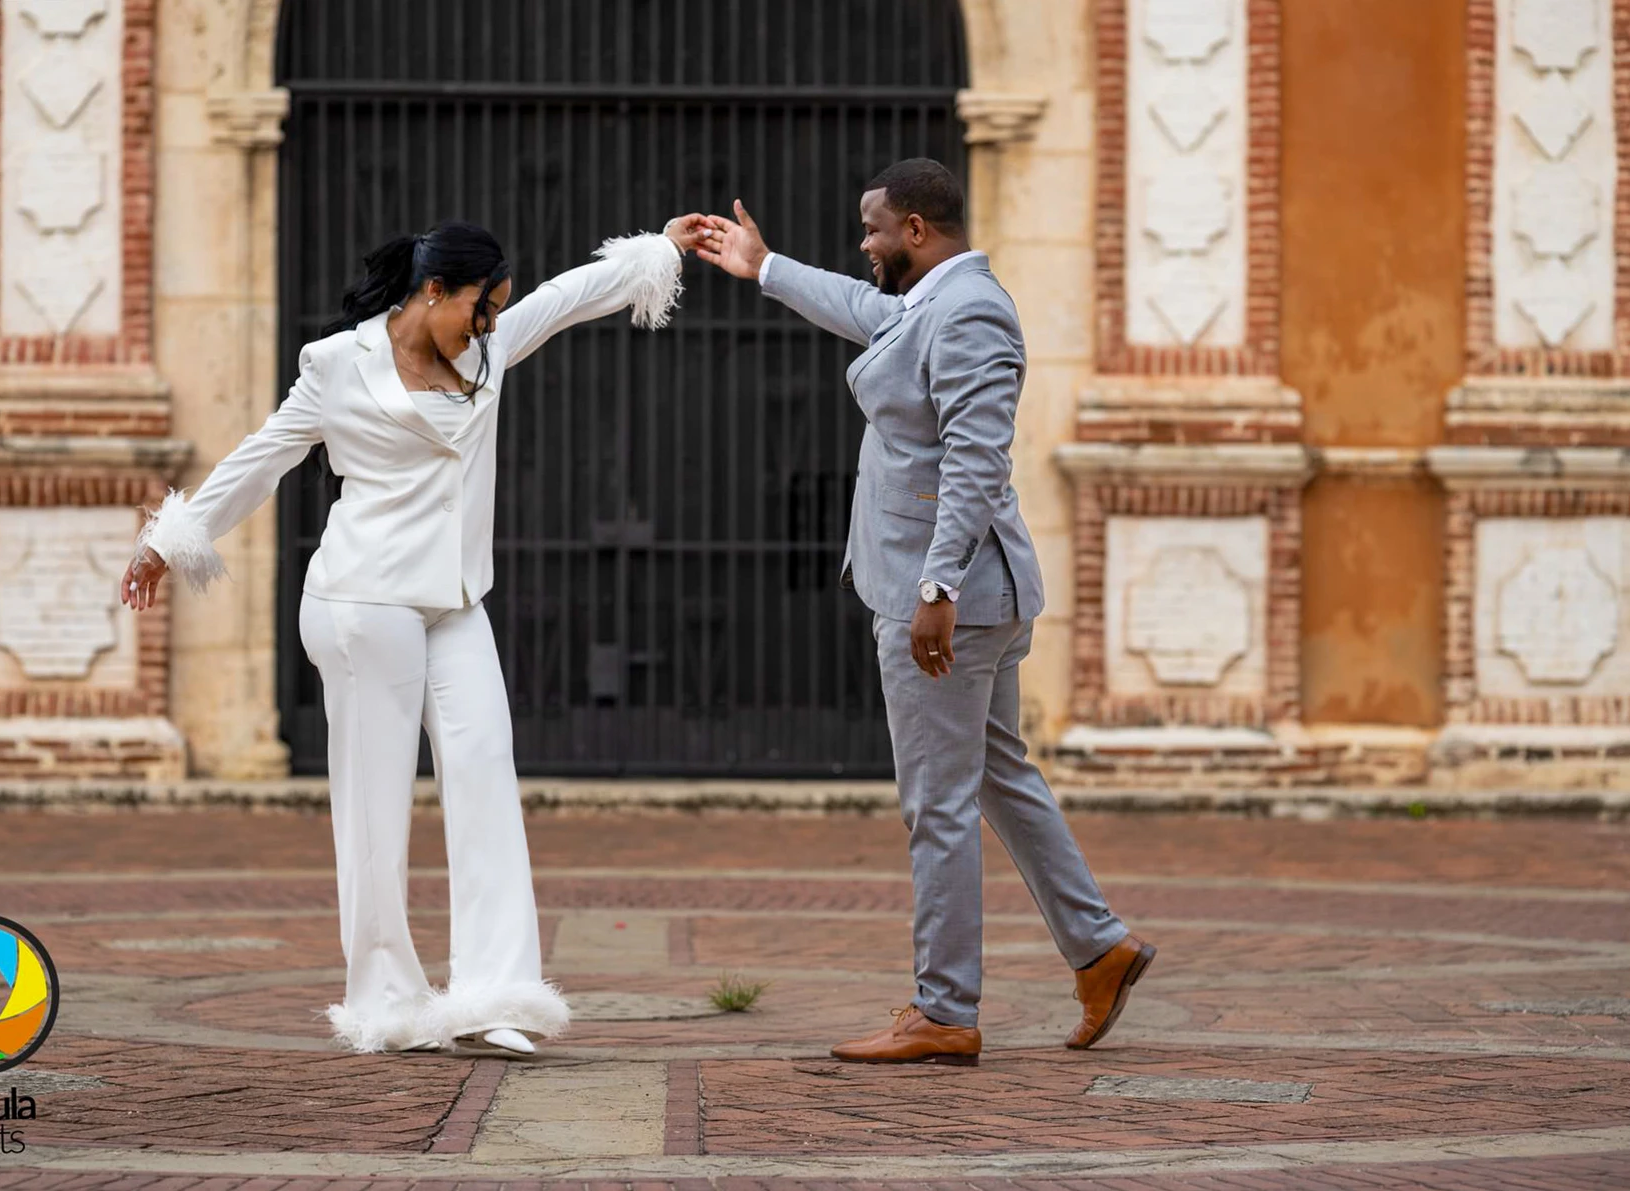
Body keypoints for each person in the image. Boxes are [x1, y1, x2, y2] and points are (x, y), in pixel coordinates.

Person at [121, 215, 710, 1057]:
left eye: (496, 311)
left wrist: (662, 248)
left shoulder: (487, 350)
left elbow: (566, 297)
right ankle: (385, 1000)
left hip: (457, 600)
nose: (491, 324)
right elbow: (263, 456)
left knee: (484, 774)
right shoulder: (334, 365)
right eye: (478, 307)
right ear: (432, 291)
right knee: (374, 803)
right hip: (363, 602)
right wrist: (167, 541)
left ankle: (494, 993)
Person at [696, 159, 1154, 1066]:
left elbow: (976, 459)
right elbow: (864, 313)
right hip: (967, 594)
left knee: (936, 805)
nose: (861, 246)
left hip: (948, 601)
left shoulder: (971, 310)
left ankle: (944, 1008)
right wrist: (762, 266)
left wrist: (934, 590)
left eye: (871, 230)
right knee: (997, 776)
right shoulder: (928, 301)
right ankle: (1098, 947)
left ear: (913, 229)